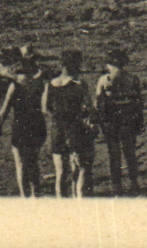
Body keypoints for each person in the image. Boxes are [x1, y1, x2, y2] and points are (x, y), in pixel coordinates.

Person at [43, 49, 94, 198]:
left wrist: (58, 117)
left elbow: (45, 108)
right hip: (75, 129)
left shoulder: (51, 84)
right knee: (82, 168)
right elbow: (89, 107)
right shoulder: (79, 84)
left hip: (57, 129)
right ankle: (80, 204)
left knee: (60, 173)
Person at [95, 48, 144, 195]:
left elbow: (98, 102)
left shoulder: (105, 80)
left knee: (117, 154)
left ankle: (120, 185)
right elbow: (139, 102)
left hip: (116, 121)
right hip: (122, 120)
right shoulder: (130, 78)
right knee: (127, 153)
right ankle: (129, 183)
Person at [0, 57, 46, 197]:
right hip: (37, 125)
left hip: (21, 126)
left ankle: (25, 196)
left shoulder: (15, 86)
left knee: (20, 164)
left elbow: (5, 110)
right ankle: (36, 193)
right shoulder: (38, 83)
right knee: (33, 161)